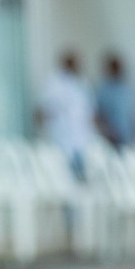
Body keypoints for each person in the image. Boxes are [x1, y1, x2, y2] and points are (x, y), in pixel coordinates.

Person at [38, 51, 95, 180]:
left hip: (81, 138)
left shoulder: (82, 83)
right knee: (64, 174)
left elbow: (89, 111)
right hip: (62, 137)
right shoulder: (54, 83)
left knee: (83, 174)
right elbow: (44, 110)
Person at [95, 52, 135, 149]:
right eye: (114, 68)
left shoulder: (127, 89)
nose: (117, 70)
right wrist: (108, 132)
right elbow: (100, 116)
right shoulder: (104, 91)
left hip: (132, 137)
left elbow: (134, 113)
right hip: (113, 139)